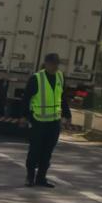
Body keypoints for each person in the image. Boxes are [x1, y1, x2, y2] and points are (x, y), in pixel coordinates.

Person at [20, 53, 71, 188]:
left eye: (57, 64)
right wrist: (24, 116)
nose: (55, 67)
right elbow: (26, 99)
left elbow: (63, 97)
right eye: (53, 64)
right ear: (46, 63)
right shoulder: (36, 78)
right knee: (35, 150)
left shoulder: (60, 76)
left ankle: (41, 178)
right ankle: (30, 177)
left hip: (54, 121)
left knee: (48, 151)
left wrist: (67, 115)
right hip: (38, 121)